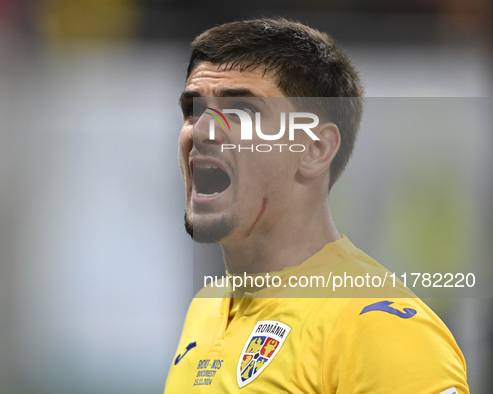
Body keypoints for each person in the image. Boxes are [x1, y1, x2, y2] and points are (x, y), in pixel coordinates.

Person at [165, 18, 468, 393]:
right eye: (193, 110)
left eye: (241, 111)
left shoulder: (376, 325)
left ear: (315, 149)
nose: (202, 130)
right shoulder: (207, 307)